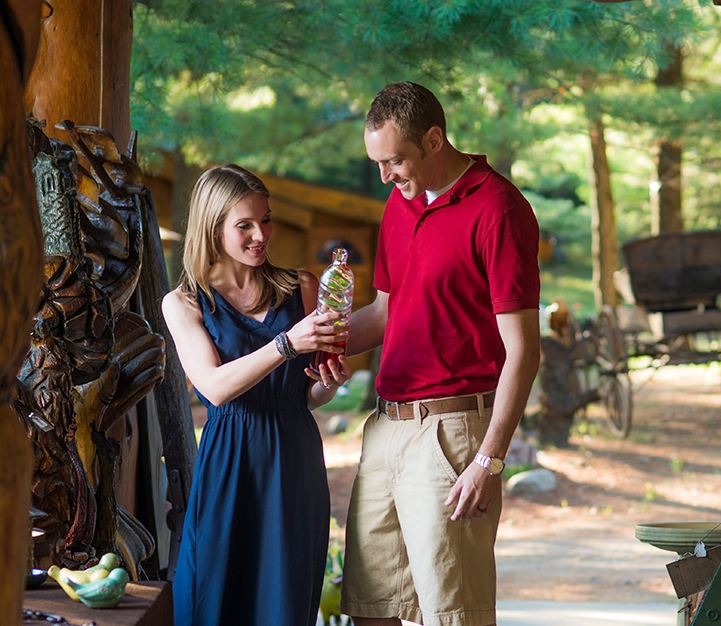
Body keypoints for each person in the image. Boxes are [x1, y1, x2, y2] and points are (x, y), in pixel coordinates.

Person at [341, 81, 542, 626]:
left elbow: (523, 350)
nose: (386, 176)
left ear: (434, 139)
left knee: (453, 615)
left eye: (395, 160)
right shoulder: (399, 203)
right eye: (378, 163)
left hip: (453, 434)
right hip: (386, 428)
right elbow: (385, 312)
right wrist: (315, 341)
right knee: (368, 607)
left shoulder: (498, 209)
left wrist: (489, 459)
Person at [162, 164, 350, 626]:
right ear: (212, 227)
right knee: (212, 594)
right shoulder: (184, 302)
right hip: (230, 461)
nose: (260, 234)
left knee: (283, 599)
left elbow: (306, 396)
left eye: (265, 220)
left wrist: (330, 379)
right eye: (243, 224)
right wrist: (286, 344)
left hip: (294, 458)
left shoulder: (302, 288)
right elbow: (215, 387)